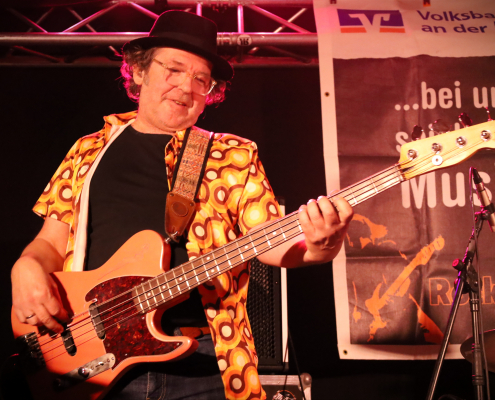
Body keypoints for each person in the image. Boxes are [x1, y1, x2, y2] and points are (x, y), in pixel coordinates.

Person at [10, 10, 353, 400]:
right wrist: (26, 267)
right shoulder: (88, 149)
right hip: (93, 356)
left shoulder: (233, 154)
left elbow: (268, 242)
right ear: (139, 71)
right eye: (173, 70)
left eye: (200, 79)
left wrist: (318, 247)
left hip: (202, 364)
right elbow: (50, 243)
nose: (186, 87)